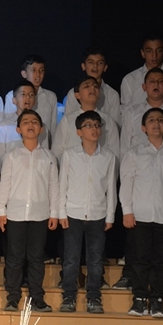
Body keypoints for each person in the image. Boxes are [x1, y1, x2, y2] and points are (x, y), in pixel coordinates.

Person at [120, 108, 163, 318]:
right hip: (139, 215)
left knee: (162, 260)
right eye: (151, 120)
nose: (156, 123)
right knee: (139, 259)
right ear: (144, 128)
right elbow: (127, 183)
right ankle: (139, 298)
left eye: (160, 120)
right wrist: (127, 210)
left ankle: (158, 299)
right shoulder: (134, 153)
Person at [0, 109, 59, 313]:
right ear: (18, 129)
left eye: (34, 122)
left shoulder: (49, 157)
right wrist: (1, 210)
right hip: (15, 213)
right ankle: (13, 297)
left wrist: (54, 212)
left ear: (41, 129)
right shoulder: (11, 156)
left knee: (36, 257)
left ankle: (36, 297)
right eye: (25, 122)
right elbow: (5, 185)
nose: (30, 125)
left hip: (40, 214)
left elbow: (53, 186)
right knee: (14, 257)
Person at [57, 111, 117, 314]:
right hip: (73, 213)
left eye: (97, 125)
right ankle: (69, 296)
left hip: (97, 214)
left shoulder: (108, 157)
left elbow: (110, 188)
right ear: (79, 132)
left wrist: (110, 215)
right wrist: (61, 213)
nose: (94, 129)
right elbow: (62, 185)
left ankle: (94, 297)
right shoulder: (70, 155)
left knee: (95, 259)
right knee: (71, 259)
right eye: (89, 125)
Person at [120, 68, 163, 158]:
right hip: (139, 164)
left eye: (161, 81)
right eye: (152, 81)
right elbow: (124, 146)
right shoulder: (132, 113)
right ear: (144, 87)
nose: (156, 84)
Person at [53, 76, 120, 160]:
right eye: (87, 86)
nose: (92, 88)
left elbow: (114, 150)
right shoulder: (67, 120)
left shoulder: (107, 120)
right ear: (77, 95)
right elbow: (57, 150)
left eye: (95, 86)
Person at [120, 33, 163, 111]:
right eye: (149, 51)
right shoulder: (130, 79)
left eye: (159, 51)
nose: (154, 55)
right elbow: (126, 111)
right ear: (143, 53)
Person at [2, 55, 58, 141]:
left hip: (42, 144)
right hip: (17, 144)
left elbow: (52, 128)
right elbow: (9, 124)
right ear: (24, 74)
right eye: (33, 70)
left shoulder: (50, 97)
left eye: (41, 70)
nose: (38, 74)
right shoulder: (11, 96)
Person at [62, 48, 122, 127]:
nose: (95, 66)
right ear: (83, 66)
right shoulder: (73, 93)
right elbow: (68, 122)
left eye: (100, 63)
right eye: (91, 62)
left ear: (105, 67)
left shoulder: (112, 95)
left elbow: (116, 125)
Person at [0, 81, 45, 163]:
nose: (28, 97)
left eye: (31, 95)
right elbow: (0, 158)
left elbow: (45, 154)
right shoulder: (3, 126)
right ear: (14, 100)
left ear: (35, 101)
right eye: (23, 94)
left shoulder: (40, 126)